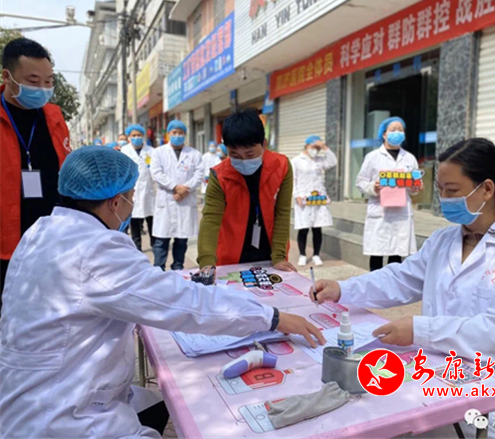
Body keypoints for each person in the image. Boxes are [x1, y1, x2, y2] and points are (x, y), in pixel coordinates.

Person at [0, 146, 325, 439]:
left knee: (155, 403)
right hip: (62, 416)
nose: (131, 206)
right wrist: (272, 317)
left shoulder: (42, 231)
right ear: (115, 202)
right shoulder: (96, 249)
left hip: (35, 393)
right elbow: (182, 303)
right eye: (130, 197)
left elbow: (148, 290)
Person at [312, 138, 495, 439]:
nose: (444, 199)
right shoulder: (444, 241)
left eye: (452, 191)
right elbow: (400, 278)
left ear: (487, 189)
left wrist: (420, 330)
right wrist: (342, 288)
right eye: (440, 190)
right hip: (445, 381)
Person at [0, 38, 70, 309]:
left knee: (45, 313)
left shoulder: (54, 116)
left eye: (48, 81)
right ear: (7, 76)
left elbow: (66, 170)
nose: (42, 88)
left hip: (50, 242)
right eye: (33, 81)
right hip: (6, 244)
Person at [198, 109, 295, 272]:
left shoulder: (282, 166)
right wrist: (206, 261)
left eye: (250, 154)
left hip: (270, 251)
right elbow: (211, 219)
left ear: (264, 144)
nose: (243, 160)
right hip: (231, 254)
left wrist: (279, 256)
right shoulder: (219, 176)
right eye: (235, 155)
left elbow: (282, 212)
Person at [356, 116, 420, 272]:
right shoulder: (372, 157)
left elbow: (415, 185)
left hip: (401, 212)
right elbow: (360, 182)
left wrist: (415, 187)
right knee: (377, 254)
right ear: (384, 134)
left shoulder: (409, 158)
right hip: (380, 212)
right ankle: (374, 285)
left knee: (397, 255)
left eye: (400, 130)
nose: (397, 133)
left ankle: (393, 285)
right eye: (393, 130)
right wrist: (374, 187)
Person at [150, 120, 202, 271]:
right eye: (174, 132)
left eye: (180, 133)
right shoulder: (158, 152)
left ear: (185, 134)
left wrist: (185, 189)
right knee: (161, 240)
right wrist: (175, 187)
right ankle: (158, 269)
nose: (177, 135)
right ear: (168, 134)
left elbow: (199, 174)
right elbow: (156, 173)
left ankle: (178, 268)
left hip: (185, 199)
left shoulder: (194, 154)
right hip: (167, 199)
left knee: (181, 240)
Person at [291, 135, 337, 267]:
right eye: (314, 147)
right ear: (307, 145)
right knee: (303, 228)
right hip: (303, 198)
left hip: (317, 198)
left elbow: (333, 162)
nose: (315, 150)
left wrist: (324, 147)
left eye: (318, 148)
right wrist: (296, 195)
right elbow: (293, 179)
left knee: (317, 228)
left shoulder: (320, 160)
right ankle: (302, 255)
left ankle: (316, 255)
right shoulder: (296, 161)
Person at [121, 124, 155, 252]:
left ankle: (155, 245)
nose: (136, 137)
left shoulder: (151, 151)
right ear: (129, 137)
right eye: (133, 135)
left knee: (151, 220)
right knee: (134, 221)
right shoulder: (124, 151)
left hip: (148, 190)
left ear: (143, 136)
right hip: (132, 191)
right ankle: (137, 248)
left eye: (139, 135)